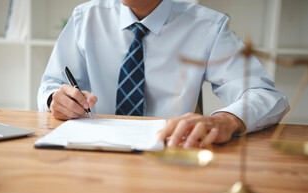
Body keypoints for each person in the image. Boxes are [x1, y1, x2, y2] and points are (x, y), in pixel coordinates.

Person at [38, 0, 289, 148]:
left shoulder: (207, 27)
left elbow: (265, 95)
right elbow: (52, 83)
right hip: (92, 151)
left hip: (172, 152)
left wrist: (226, 120)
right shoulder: (86, 17)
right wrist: (55, 100)